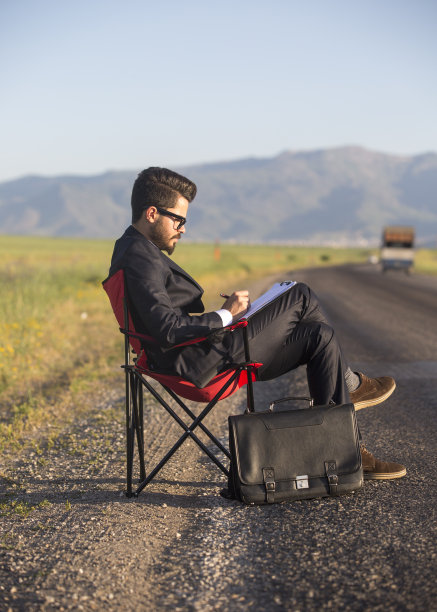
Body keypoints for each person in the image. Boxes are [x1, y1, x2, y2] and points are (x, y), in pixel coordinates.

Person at [108, 167, 406, 481]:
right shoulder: (139, 257)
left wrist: (228, 318)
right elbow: (167, 328)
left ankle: (344, 449)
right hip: (201, 365)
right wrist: (226, 314)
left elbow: (163, 322)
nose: (183, 229)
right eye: (178, 220)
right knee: (300, 294)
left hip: (202, 355)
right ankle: (351, 390)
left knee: (320, 336)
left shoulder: (133, 250)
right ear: (152, 213)